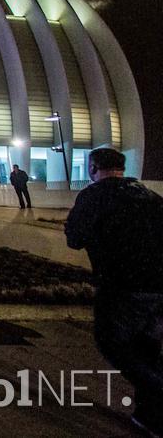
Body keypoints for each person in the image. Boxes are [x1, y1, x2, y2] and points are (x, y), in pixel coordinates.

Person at [65, 147, 163, 435]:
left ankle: (157, 390)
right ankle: (150, 416)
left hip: (123, 284)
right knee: (147, 348)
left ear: (94, 167)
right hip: (158, 285)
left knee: (111, 341)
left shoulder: (95, 196)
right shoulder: (150, 196)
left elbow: (74, 238)